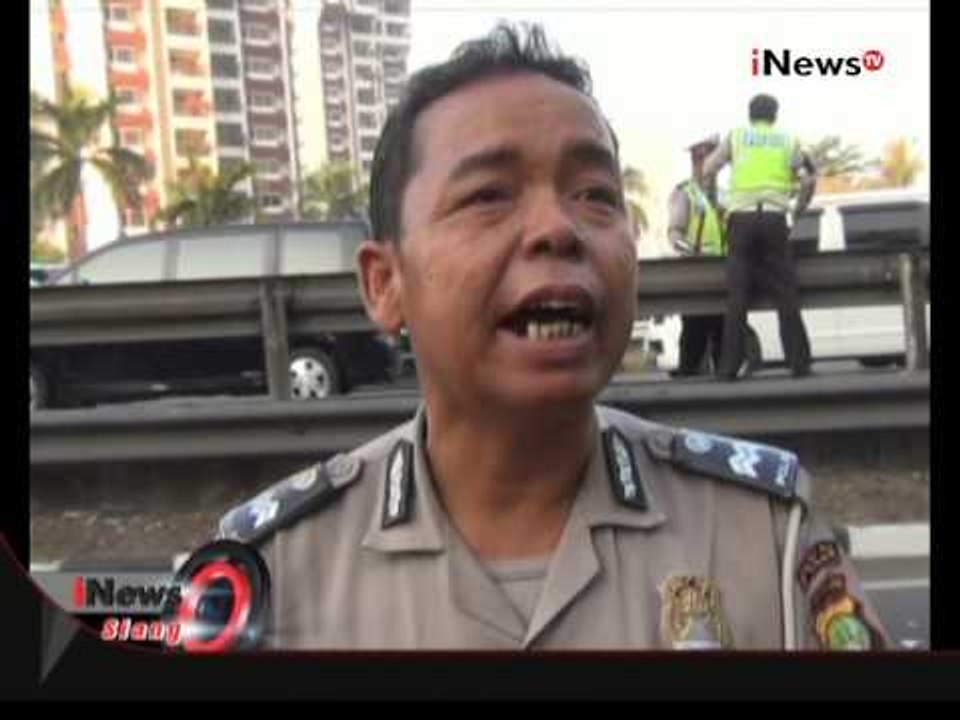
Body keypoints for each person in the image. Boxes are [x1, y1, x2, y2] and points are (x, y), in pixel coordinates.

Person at [216, 25, 886, 651]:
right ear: (384, 283)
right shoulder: (268, 577)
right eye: (488, 195)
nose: (559, 228)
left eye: (595, 192)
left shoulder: (766, 536)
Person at [703, 93, 815, 380]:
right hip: (776, 219)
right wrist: (798, 209)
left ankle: (728, 367)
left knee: (738, 295)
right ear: (774, 115)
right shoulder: (789, 141)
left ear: (750, 115)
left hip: (741, 219)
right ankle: (798, 362)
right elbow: (808, 179)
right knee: (785, 292)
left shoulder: (737, 137)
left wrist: (716, 201)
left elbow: (708, 168)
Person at [667, 135, 762, 378]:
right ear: (695, 161)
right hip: (695, 274)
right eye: (702, 158)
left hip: (724, 273)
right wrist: (689, 250)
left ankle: (725, 383)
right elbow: (675, 232)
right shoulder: (685, 193)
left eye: (714, 159)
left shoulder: (726, 195)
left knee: (724, 331)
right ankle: (688, 376)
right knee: (694, 333)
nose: (710, 165)